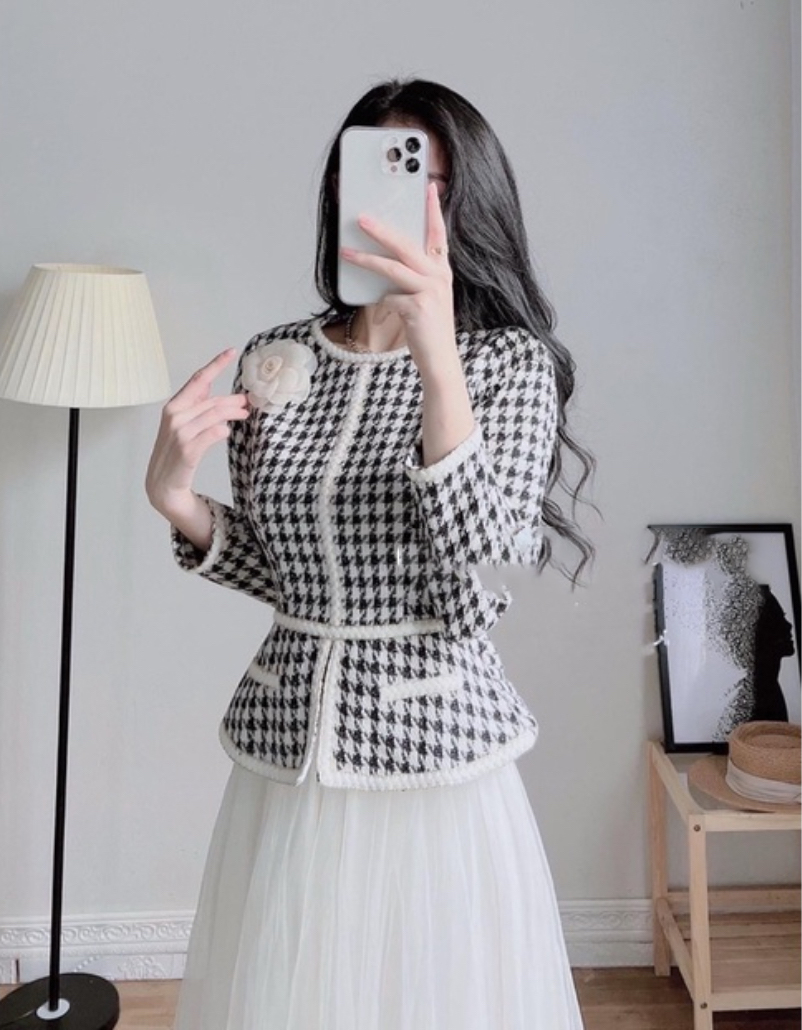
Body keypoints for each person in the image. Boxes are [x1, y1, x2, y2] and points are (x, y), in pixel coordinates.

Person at [146, 77, 594, 1030]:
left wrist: (437, 360)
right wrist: (176, 500)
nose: (405, 206)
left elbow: (478, 570)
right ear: (341, 191)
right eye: (383, 174)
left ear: (468, 202)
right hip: (288, 757)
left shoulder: (509, 365)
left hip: (436, 759)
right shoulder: (280, 357)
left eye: (433, 182)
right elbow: (290, 571)